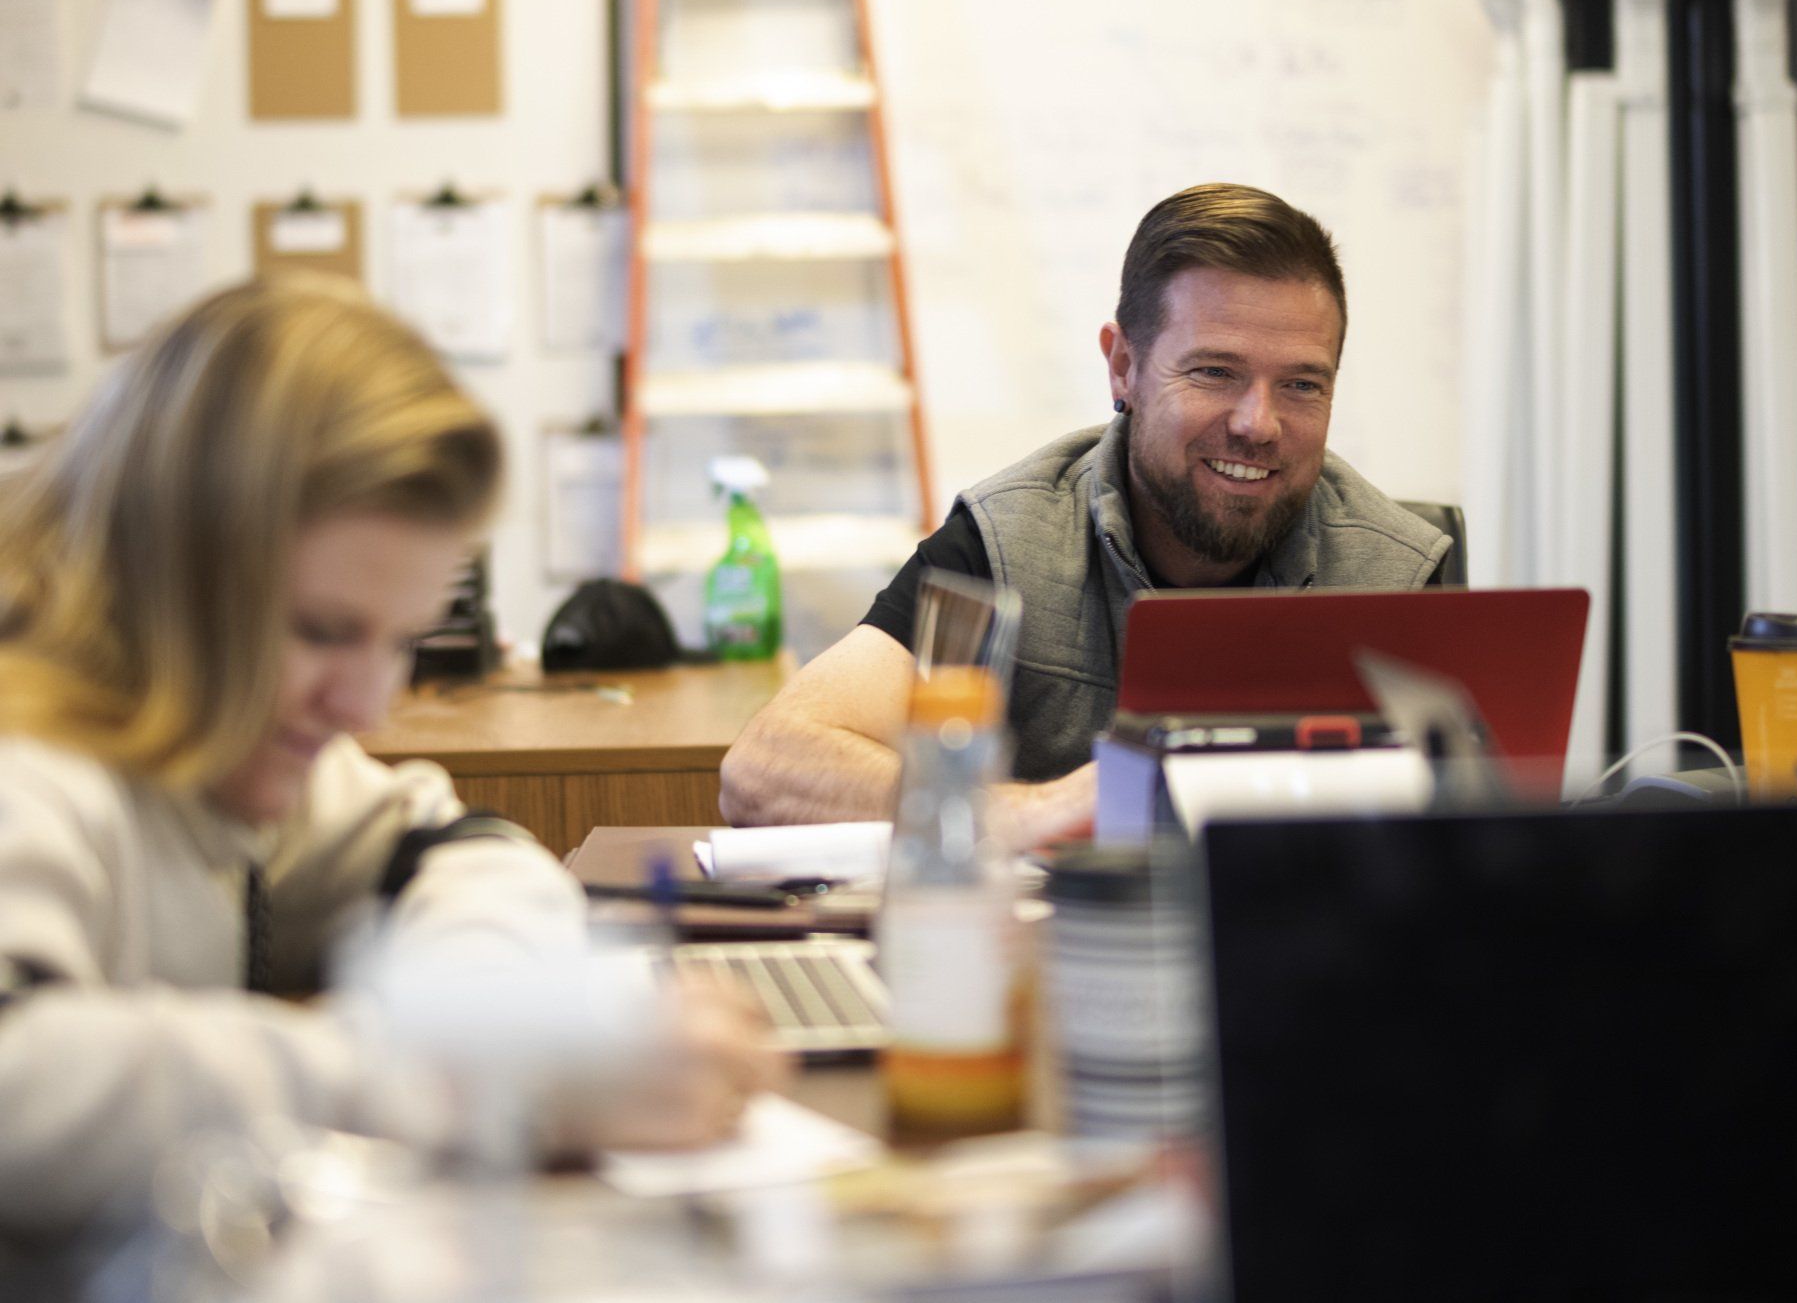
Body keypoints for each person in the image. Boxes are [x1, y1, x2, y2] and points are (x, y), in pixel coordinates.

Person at [0, 276, 785, 1260]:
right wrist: (469, 1074)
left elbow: (456, 840)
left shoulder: (199, 734)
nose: (366, 705)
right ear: (166, 565)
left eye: (399, 638)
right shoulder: (33, 758)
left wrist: (486, 1009)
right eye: (324, 630)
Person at [718, 183, 1454, 844]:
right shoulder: (1004, 543)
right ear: (1123, 367)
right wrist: (1030, 811)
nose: (1258, 424)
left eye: (1300, 384)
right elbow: (768, 767)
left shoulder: (1403, 572)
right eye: (1214, 372)